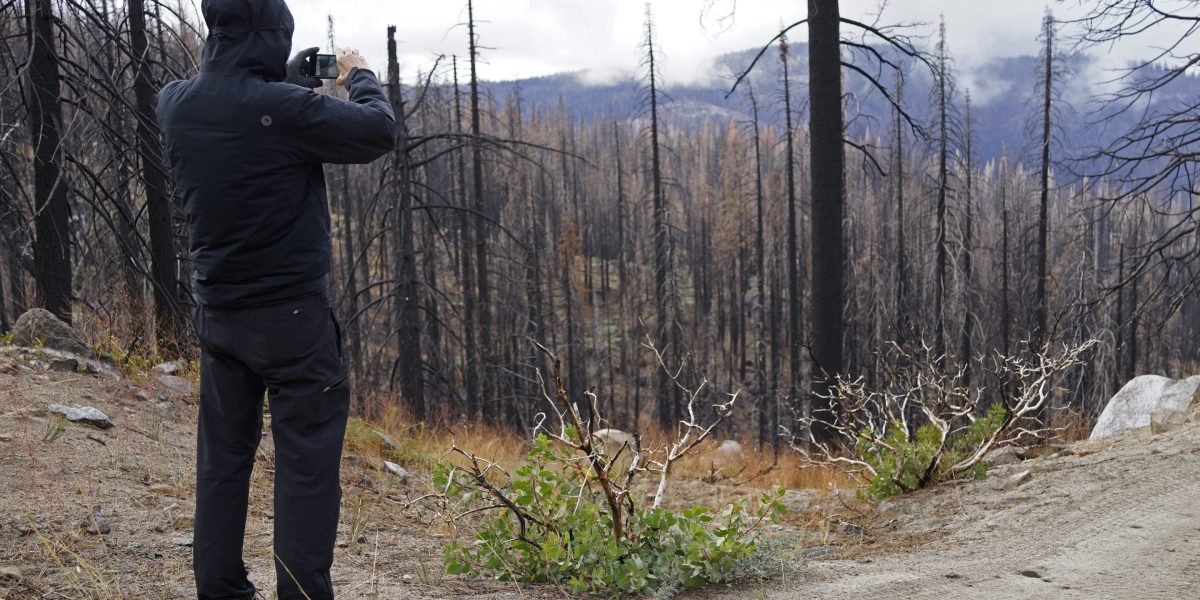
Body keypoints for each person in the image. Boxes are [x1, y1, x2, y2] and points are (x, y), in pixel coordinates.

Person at [156, 0, 397, 597]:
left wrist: (283, 76)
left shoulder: (175, 103)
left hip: (220, 317)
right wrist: (359, 74)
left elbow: (241, 106)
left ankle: (220, 589)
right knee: (306, 466)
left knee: (223, 463)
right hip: (292, 323)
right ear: (273, 32)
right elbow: (377, 130)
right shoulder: (287, 110)